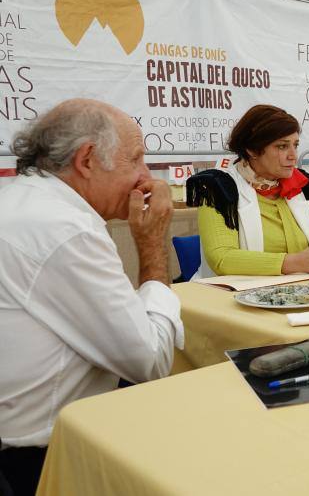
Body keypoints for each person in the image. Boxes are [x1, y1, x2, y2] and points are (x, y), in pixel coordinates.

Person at [0, 99, 184, 496]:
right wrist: (152, 243)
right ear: (86, 159)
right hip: (40, 462)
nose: (145, 176)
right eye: (135, 159)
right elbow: (150, 362)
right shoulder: (66, 228)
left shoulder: (21, 201)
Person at [192, 104, 309, 277]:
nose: (293, 156)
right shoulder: (217, 187)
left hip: (302, 290)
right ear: (252, 149)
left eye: (295, 145)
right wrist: (294, 262)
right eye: (282, 146)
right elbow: (222, 258)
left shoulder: (304, 184)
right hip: (238, 293)